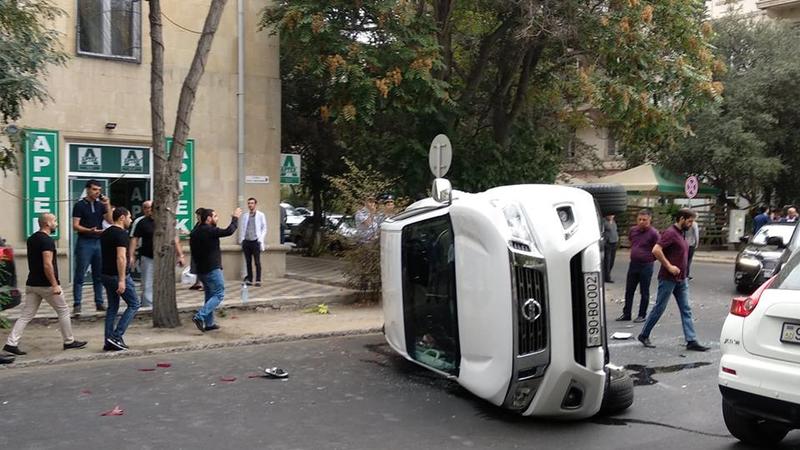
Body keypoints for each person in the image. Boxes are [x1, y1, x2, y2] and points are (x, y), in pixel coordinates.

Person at [3, 214, 87, 356]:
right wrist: (55, 284)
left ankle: (11, 343)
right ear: (47, 223)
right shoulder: (47, 241)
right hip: (46, 284)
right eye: (55, 221)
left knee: (26, 315)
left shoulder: (32, 239)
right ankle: (69, 341)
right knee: (64, 310)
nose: (57, 224)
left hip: (32, 283)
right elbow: (47, 265)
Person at [638, 208, 710, 352]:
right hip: (668, 279)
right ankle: (644, 335)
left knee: (686, 309)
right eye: (690, 221)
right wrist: (669, 266)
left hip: (681, 280)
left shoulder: (681, 233)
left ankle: (691, 340)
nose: (691, 224)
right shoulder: (670, 233)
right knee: (659, 307)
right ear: (681, 219)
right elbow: (656, 250)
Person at [189, 207, 242, 332]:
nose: (217, 218)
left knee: (209, 295)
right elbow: (229, 231)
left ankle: (209, 323)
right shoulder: (209, 230)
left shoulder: (195, 231)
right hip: (212, 268)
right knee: (219, 294)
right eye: (215, 216)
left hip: (201, 270)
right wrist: (235, 218)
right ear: (208, 219)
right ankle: (199, 316)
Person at [128, 200, 186, 307]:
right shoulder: (142, 222)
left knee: (165, 282)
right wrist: (131, 255)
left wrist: (180, 255)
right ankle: (148, 305)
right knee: (148, 282)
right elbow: (134, 239)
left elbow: (175, 238)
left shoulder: (167, 221)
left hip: (165, 256)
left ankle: (164, 304)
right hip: (148, 256)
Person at [100, 207, 140, 351]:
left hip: (105, 274)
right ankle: (116, 336)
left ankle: (108, 340)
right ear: (122, 218)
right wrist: (122, 280)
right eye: (129, 217)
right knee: (134, 304)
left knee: (113, 307)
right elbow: (121, 257)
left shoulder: (106, 233)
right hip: (117, 276)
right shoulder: (121, 235)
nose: (131, 220)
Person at [71, 179, 113, 315]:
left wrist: (107, 204)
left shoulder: (100, 205)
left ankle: (99, 302)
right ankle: (77, 303)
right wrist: (89, 230)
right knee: (80, 274)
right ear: (88, 189)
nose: (97, 192)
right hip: (85, 241)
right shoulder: (79, 205)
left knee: (99, 274)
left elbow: (110, 221)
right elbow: (75, 225)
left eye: (99, 190)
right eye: (94, 189)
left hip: (99, 241)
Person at [617, 209, 659, 323]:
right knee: (629, 290)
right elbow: (632, 242)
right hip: (633, 264)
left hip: (646, 265)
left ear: (650, 220)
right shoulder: (633, 230)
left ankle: (642, 315)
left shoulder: (654, 233)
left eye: (644, 220)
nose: (641, 222)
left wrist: (650, 259)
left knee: (644, 291)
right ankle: (626, 313)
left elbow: (658, 249)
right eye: (639, 219)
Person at [239, 197, 267, 287]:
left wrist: (261, 239)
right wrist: (242, 239)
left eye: (252, 203)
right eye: (249, 203)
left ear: (255, 204)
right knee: (248, 261)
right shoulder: (245, 216)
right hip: (247, 241)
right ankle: (249, 279)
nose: (250, 205)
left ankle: (258, 279)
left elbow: (264, 228)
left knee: (257, 262)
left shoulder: (260, 215)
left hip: (255, 241)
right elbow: (243, 228)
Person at [188, 207, 205, 291]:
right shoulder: (197, 224)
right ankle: (197, 282)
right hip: (196, 248)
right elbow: (194, 233)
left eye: (198, 215)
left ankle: (203, 283)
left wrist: (190, 233)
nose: (197, 217)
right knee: (196, 266)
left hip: (202, 249)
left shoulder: (204, 225)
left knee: (202, 267)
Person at [602, 214, 619, 283]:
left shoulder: (614, 222)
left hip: (614, 242)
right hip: (608, 243)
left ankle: (607, 274)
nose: (611, 216)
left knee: (612, 260)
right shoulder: (604, 222)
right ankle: (607, 277)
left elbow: (615, 231)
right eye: (609, 215)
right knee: (607, 261)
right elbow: (602, 232)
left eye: (612, 215)